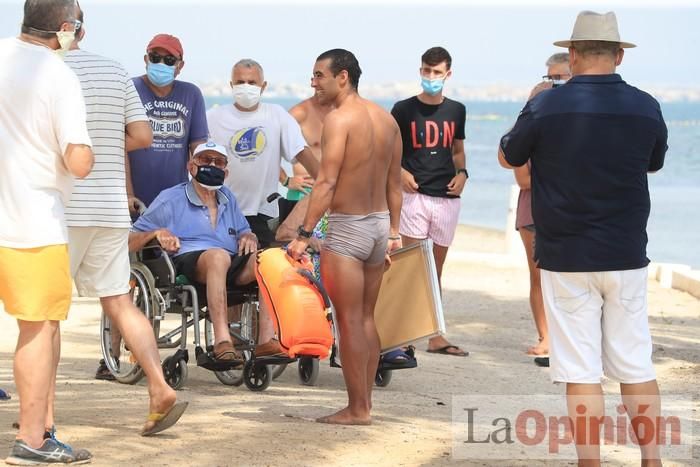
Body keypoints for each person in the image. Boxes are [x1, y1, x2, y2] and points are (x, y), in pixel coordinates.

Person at [498, 11, 667, 466]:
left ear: (571, 56)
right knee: (635, 363)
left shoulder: (547, 105)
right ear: (618, 55)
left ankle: (589, 462)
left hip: (566, 253)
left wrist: (531, 107)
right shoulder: (646, 105)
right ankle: (651, 460)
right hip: (626, 251)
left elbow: (507, 155)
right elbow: (654, 163)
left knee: (581, 370)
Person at [64, 3, 187, 436]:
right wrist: (104, 141)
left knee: (43, 313)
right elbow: (141, 135)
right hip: (110, 207)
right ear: (82, 27)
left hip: (62, 207)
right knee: (118, 299)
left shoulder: (46, 67)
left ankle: (38, 421)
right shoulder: (114, 71)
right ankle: (158, 386)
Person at [287, 49, 402, 425]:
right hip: (379, 224)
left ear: (343, 77)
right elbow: (394, 185)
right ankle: (364, 404)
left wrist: (304, 233)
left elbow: (327, 182)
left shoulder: (338, 120)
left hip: (349, 227)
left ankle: (357, 409)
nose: (313, 82)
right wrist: (394, 234)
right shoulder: (387, 120)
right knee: (366, 318)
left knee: (349, 319)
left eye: (319, 75)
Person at [0, 1, 94, 463]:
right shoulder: (59, 76)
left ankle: (45, 427)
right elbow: (78, 158)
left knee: (43, 327)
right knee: (37, 329)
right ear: (64, 28)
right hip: (31, 220)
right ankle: (33, 439)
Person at [129, 142, 284, 361]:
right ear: (191, 167)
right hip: (189, 261)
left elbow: (243, 230)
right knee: (217, 256)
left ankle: (266, 341)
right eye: (205, 160)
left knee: (269, 258)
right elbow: (130, 239)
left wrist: (249, 236)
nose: (212, 165)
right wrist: (156, 233)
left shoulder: (227, 198)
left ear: (225, 171)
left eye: (218, 162)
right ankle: (222, 341)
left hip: (228, 261)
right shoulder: (171, 198)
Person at [390, 46, 469, 357]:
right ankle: (404, 335)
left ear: (447, 74)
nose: (431, 77)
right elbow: (389, 151)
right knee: (412, 267)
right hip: (414, 196)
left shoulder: (457, 110)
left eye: (437, 72)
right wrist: (399, 173)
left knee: (435, 271)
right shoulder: (403, 109)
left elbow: (458, 150)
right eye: (426, 70)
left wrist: (463, 173)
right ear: (420, 70)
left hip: (447, 198)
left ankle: (436, 336)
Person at [207, 59, 319, 247]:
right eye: (240, 82)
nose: (246, 87)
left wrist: (328, 181)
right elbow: (195, 156)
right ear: (231, 85)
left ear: (263, 86)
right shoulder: (212, 117)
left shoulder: (276, 115)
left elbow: (301, 151)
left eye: (252, 83)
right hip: (222, 211)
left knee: (261, 268)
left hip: (264, 213)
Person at [513, 52, 570, 360]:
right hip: (533, 210)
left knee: (569, 277)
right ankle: (546, 337)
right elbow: (522, 177)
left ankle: (567, 339)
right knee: (538, 276)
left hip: (566, 211)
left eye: (557, 77)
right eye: (549, 78)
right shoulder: (529, 125)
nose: (551, 84)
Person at [127, 33, 208, 208]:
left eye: (169, 60)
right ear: (146, 59)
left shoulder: (191, 94)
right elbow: (118, 147)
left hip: (177, 202)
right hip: (134, 202)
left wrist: (207, 187)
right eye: (155, 57)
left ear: (180, 66)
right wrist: (128, 195)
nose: (161, 64)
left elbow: (198, 148)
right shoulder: (129, 89)